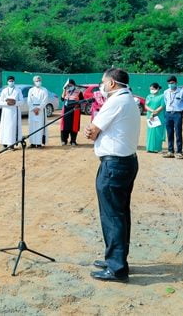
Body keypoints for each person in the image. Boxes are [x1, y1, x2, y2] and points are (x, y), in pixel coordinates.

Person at [84, 68, 140, 283]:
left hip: (114, 165)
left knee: (113, 216)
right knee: (119, 214)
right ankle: (116, 259)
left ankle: (117, 268)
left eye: (103, 82)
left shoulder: (116, 101)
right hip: (123, 163)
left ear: (112, 84)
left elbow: (93, 130)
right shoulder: (128, 99)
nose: (101, 86)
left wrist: (93, 131)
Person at [163, 76, 183, 159]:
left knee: (178, 133)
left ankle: (179, 152)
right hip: (168, 113)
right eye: (169, 83)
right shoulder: (166, 92)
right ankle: (170, 151)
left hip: (177, 114)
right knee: (169, 133)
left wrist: (182, 114)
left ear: (176, 83)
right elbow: (166, 102)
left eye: (172, 83)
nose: (171, 84)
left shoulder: (181, 92)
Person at [0, 76, 23, 148]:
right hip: (6, 112)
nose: (11, 82)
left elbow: (22, 101)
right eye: (9, 81)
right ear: (7, 82)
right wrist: (7, 103)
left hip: (14, 112)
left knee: (12, 127)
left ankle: (12, 143)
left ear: (14, 81)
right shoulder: (4, 90)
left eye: (12, 81)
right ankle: (4, 143)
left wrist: (14, 103)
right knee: (5, 127)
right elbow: (0, 102)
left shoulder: (18, 90)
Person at [60, 79, 83, 146]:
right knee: (65, 126)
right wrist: (64, 90)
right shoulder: (66, 91)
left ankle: (73, 141)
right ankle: (64, 141)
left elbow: (82, 100)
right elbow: (62, 99)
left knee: (74, 126)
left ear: (74, 85)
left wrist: (78, 105)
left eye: (71, 85)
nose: (69, 86)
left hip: (75, 111)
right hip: (66, 110)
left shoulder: (79, 92)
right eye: (68, 85)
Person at [27, 76, 48, 148]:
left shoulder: (44, 90)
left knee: (40, 126)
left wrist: (38, 108)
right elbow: (29, 101)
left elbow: (45, 101)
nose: (38, 82)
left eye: (39, 80)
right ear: (34, 82)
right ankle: (32, 143)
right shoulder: (31, 90)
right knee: (32, 126)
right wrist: (34, 109)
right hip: (32, 111)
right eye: (36, 80)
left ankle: (39, 143)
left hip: (41, 111)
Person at [144, 83, 166, 153]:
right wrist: (152, 111)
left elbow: (162, 106)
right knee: (150, 131)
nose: (151, 90)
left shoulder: (162, 96)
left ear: (157, 89)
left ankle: (157, 148)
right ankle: (149, 148)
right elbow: (146, 106)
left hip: (159, 116)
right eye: (150, 89)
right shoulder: (149, 96)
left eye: (153, 89)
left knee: (158, 131)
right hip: (150, 116)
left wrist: (155, 112)